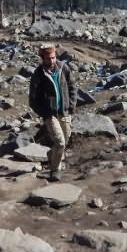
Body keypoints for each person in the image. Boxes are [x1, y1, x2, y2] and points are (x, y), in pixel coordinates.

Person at [29, 43, 77, 181]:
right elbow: (32, 99)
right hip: (50, 115)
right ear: (42, 58)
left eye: (53, 57)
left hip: (65, 111)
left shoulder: (63, 68)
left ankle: (52, 155)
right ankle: (54, 170)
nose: (51, 61)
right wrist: (45, 113)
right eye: (48, 58)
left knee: (65, 139)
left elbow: (72, 86)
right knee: (60, 142)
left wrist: (71, 105)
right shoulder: (38, 74)